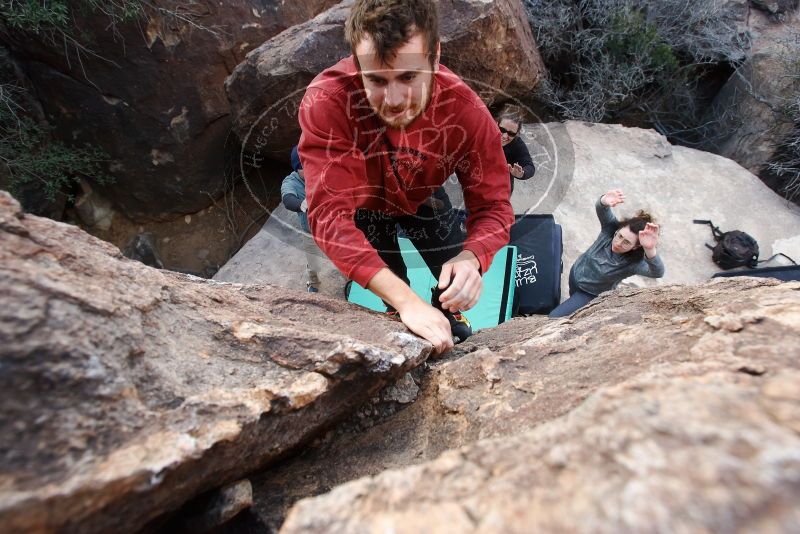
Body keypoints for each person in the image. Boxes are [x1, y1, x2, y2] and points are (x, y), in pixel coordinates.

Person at [298, 0, 514, 354]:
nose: (394, 100)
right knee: (393, 284)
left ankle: (447, 312)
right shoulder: (327, 102)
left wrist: (473, 258)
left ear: (436, 55)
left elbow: (493, 206)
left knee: (453, 272)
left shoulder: (466, 111)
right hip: (364, 206)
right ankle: (403, 313)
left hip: (423, 196)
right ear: (355, 62)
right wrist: (406, 302)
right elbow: (328, 216)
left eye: (409, 76)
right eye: (377, 80)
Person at [549, 189, 665, 318]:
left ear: (636, 246)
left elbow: (658, 272)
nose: (618, 243)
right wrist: (604, 201)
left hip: (590, 294)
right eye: (619, 235)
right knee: (573, 306)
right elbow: (602, 209)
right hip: (576, 275)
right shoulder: (609, 230)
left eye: (626, 242)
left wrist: (650, 249)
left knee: (554, 317)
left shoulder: (633, 264)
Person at [281, 145, 323, 293]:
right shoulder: (291, 182)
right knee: (314, 265)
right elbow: (287, 199)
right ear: (297, 168)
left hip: (333, 226)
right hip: (310, 231)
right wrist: (301, 204)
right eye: (305, 167)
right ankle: (314, 283)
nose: (311, 170)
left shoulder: (323, 172)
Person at [498, 115, 535, 193]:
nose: (505, 136)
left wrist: (521, 174)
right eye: (501, 129)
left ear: (517, 134)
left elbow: (530, 167)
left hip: (501, 188)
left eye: (511, 134)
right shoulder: (485, 133)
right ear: (496, 124)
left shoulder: (517, 144)